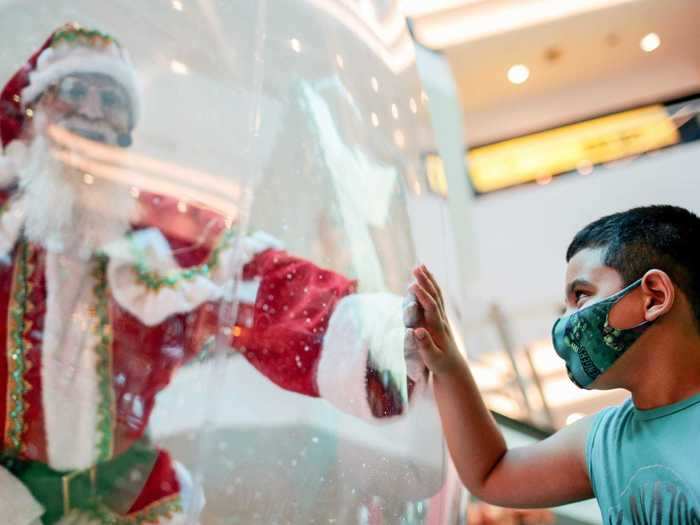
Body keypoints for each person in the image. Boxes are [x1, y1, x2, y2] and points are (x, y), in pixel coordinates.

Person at [0, 23, 426, 525]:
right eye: (75, 91)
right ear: (35, 110)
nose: (94, 109)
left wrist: (380, 340)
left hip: (131, 500)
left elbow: (263, 287)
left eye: (111, 98)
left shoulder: (154, 245)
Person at [407, 205, 700, 523]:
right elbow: (492, 473)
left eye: (582, 295)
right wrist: (448, 364)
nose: (565, 322)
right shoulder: (603, 440)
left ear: (654, 297)